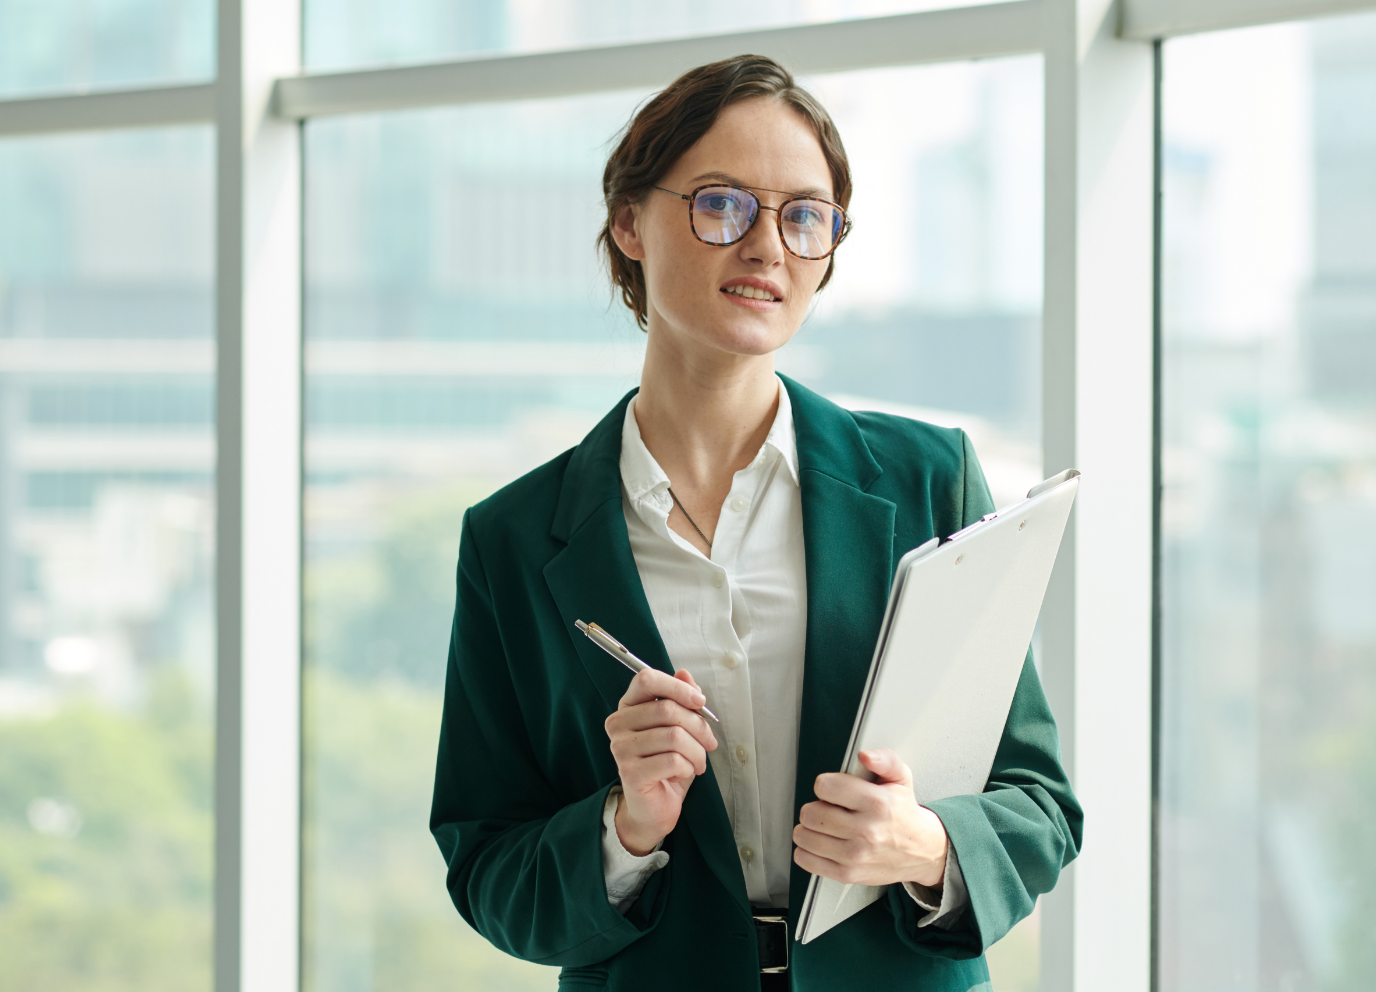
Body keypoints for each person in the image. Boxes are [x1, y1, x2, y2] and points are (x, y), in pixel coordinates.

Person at [429, 54, 1082, 991]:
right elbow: (487, 866)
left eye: (805, 215)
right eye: (723, 203)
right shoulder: (513, 541)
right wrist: (624, 829)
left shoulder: (928, 479)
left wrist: (927, 845)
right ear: (628, 221)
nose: (769, 245)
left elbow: (1040, 805)